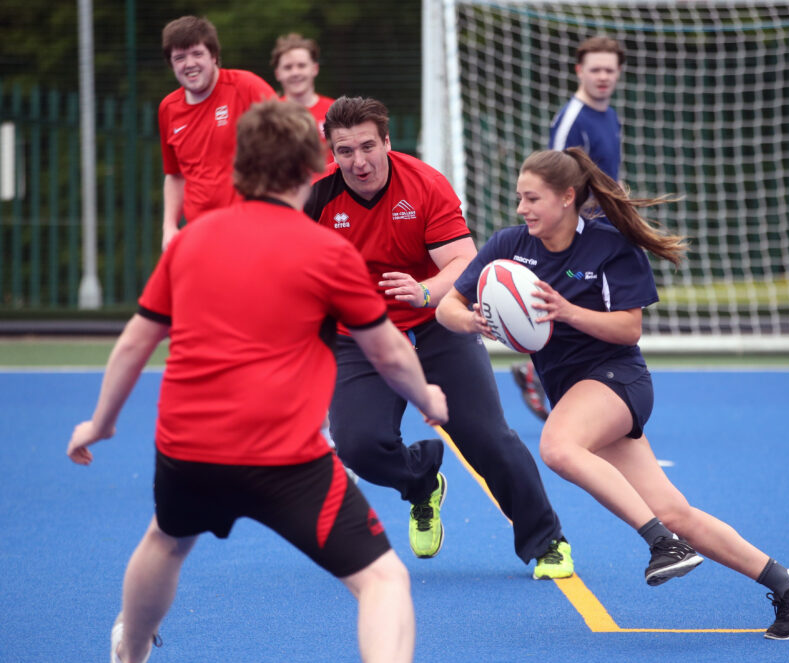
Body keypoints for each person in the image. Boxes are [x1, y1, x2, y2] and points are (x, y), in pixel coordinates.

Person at [68, 100, 447, 663]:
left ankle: (130, 654)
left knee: (166, 542)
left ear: (240, 168)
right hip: (286, 460)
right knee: (383, 581)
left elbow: (134, 341)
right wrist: (427, 396)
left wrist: (100, 422)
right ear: (308, 170)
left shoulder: (192, 240)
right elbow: (388, 351)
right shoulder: (327, 252)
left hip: (190, 448)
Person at [436, 148, 789, 641]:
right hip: (574, 392)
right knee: (675, 511)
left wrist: (566, 311)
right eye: (519, 198)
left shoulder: (609, 245)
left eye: (531, 198)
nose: (521, 209)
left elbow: (627, 329)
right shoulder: (508, 246)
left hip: (617, 379)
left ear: (566, 197)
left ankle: (662, 544)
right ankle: (788, 583)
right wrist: (473, 320)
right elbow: (447, 306)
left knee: (557, 447)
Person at [304, 95, 574, 580]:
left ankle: (547, 541)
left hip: (434, 322)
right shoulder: (315, 196)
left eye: (368, 146)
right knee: (357, 444)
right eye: (345, 151)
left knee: (486, 437)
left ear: (387, 142)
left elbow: (465, 262)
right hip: (361, 332)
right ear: (332, 151)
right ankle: (421, 480)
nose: (359, 161)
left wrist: (423, 291)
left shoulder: (424, 185)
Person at [511, 36, 627, 421]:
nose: (603, 76)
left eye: (610, 69)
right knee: (569, 314)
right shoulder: (572, 121)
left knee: (597, 315)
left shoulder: (609, 115)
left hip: (607, 230)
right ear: (579, 71)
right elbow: (553, 181)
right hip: (578, 236)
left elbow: (607, 175)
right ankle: (538, 373)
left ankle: (590, 393)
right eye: (595, 68)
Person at [158, 15, 275, 250]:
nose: (189, 63)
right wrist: (169, 227)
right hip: (200, 234)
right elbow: (175, 175)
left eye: (197, 54)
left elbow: (289, 142)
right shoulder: (168, 108)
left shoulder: (246, 86)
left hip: (253, 229)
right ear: (171, 65)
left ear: (213, 56)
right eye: (179, 57)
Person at [271, 33, 335, 171]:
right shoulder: (269, 115)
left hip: (330, 189)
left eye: (301, 65)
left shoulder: (335, 111)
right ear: (278, 74)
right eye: (288, 67)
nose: (295, 72)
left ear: (314, 69)